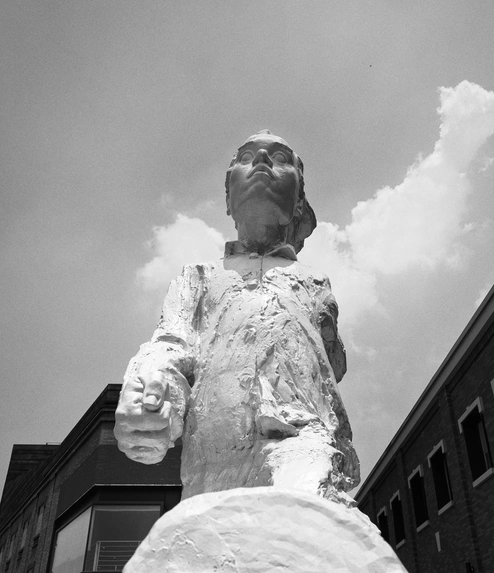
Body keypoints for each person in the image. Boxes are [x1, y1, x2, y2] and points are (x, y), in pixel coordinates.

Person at [115, 131, 360, 503]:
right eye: (246, 157)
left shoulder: (314, 281)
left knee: (303, 497)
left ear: (299, 204)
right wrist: (155, 391)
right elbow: (172, 343)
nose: (261, 160)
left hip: (302, 437)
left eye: (280, 159)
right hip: (212, 462)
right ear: (228, 199)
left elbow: (332, 367)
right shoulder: (198, 277)